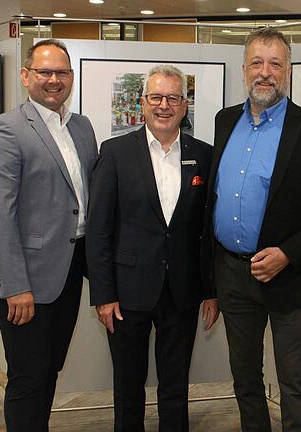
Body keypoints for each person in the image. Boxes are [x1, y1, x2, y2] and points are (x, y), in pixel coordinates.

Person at [202, 28, 301, 431]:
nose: (265, 72)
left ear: (289, 71)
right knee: (245, 379)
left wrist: (286, 253)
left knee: (294, 383)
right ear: (244, 69)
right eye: (257, 63)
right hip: (232, 274)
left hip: (290, 276)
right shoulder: (225, 120)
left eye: (275, 64)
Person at [86, 65, 219, 432]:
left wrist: (210, 290)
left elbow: (205, 231)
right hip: (127, 293)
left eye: (173, 97)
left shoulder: (203, 155)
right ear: (142, 104)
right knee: (128, 388)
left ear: (184, 104)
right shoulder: (114, 152)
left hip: (183, 291)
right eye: (156, 97)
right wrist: (103, 294)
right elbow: (99, 230)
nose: (164, 105)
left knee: (175, 387)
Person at [0, 39, 97, 431]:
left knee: (49, 370)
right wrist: (16, 286)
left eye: (61, 72)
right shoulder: (5, 130)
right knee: (28, 377)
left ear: (72, 78)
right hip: (24, 279)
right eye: (44, 72)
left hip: (67, 270)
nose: (53, 80)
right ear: (26, 76)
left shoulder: (81, 127)